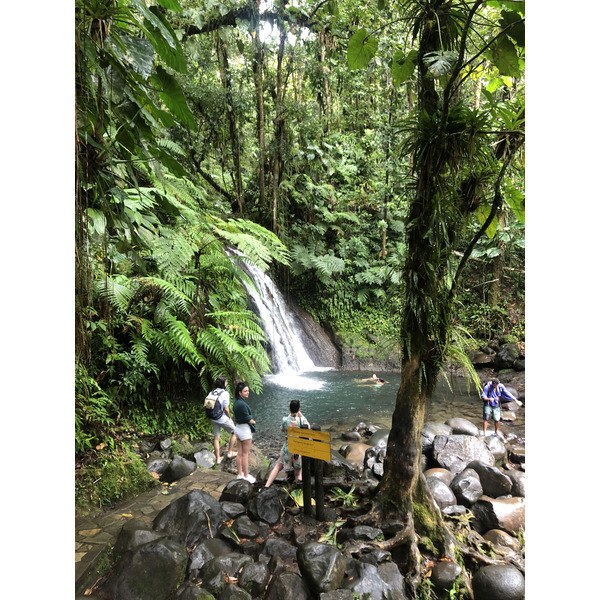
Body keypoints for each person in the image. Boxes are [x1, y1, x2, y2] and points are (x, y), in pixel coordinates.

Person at [264, 400, 309, 488]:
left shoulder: (285, 420)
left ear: (289, 409)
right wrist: (300, 414)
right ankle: (298, 491)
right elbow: (309, 427)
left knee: (277, 467)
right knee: (298, 473)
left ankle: (266, 486)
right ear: (299, 409)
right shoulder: (302, 420)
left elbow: (282, 430)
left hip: (287, 448)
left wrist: (289, 416)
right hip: (298, 449)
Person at [205, 375, 237, 465]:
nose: (227, 383)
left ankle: (218, 458)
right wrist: (230, 418)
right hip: (221, 418)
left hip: (213, 418)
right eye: (226, 382)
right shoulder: (225, 394)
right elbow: (226, 409)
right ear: (224, 384)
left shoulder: (211, 393)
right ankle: (230, 453)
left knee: (216, 437)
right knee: (235, 432)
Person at [232, 381, 256, 483]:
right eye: (245, 391)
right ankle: (246, 476)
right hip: (245, 430)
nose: (247, 393)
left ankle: (240, 474)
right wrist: (253, 421)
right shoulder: (242, 404)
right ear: (240, 392)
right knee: (245, 454)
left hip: (238, 428)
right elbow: (247, 418)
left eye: (248, 391)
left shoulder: (236, 402)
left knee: (239, 453)